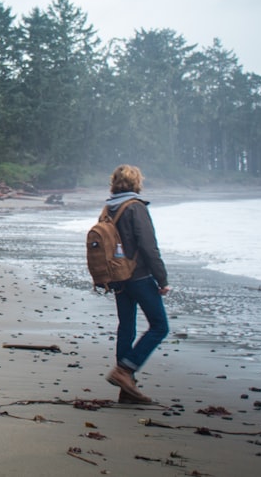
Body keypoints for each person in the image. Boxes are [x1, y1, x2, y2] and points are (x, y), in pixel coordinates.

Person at [103, 164, 171, 403]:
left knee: (127, 327)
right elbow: (149, 247)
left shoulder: (109, 208)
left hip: (117, 276)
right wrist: (161, 279)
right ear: (136, 183)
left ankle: (126, 388)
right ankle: (125, 371)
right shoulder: (135, 207)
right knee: (160, 326)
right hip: (139, 275)